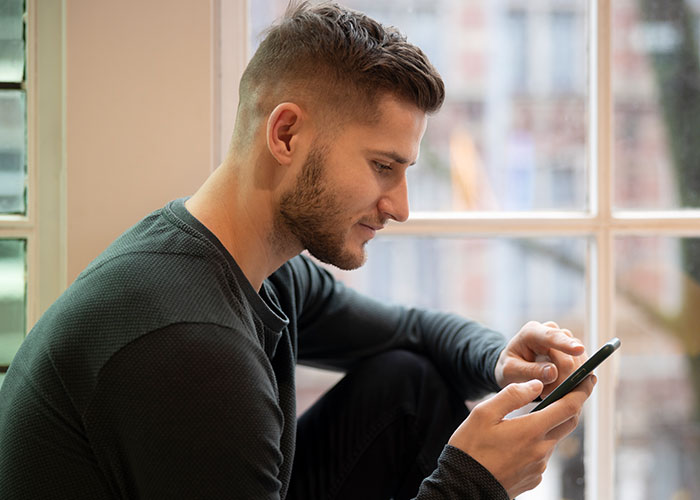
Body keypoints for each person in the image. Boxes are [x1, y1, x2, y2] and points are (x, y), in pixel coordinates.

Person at [0, 2, 595, 499]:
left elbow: (407, 331)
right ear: (285, 134)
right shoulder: (189, 347)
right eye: (383, 167)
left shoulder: (253, 266)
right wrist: (473, 483)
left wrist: (501, 360)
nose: (401, 206)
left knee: (407, 385)